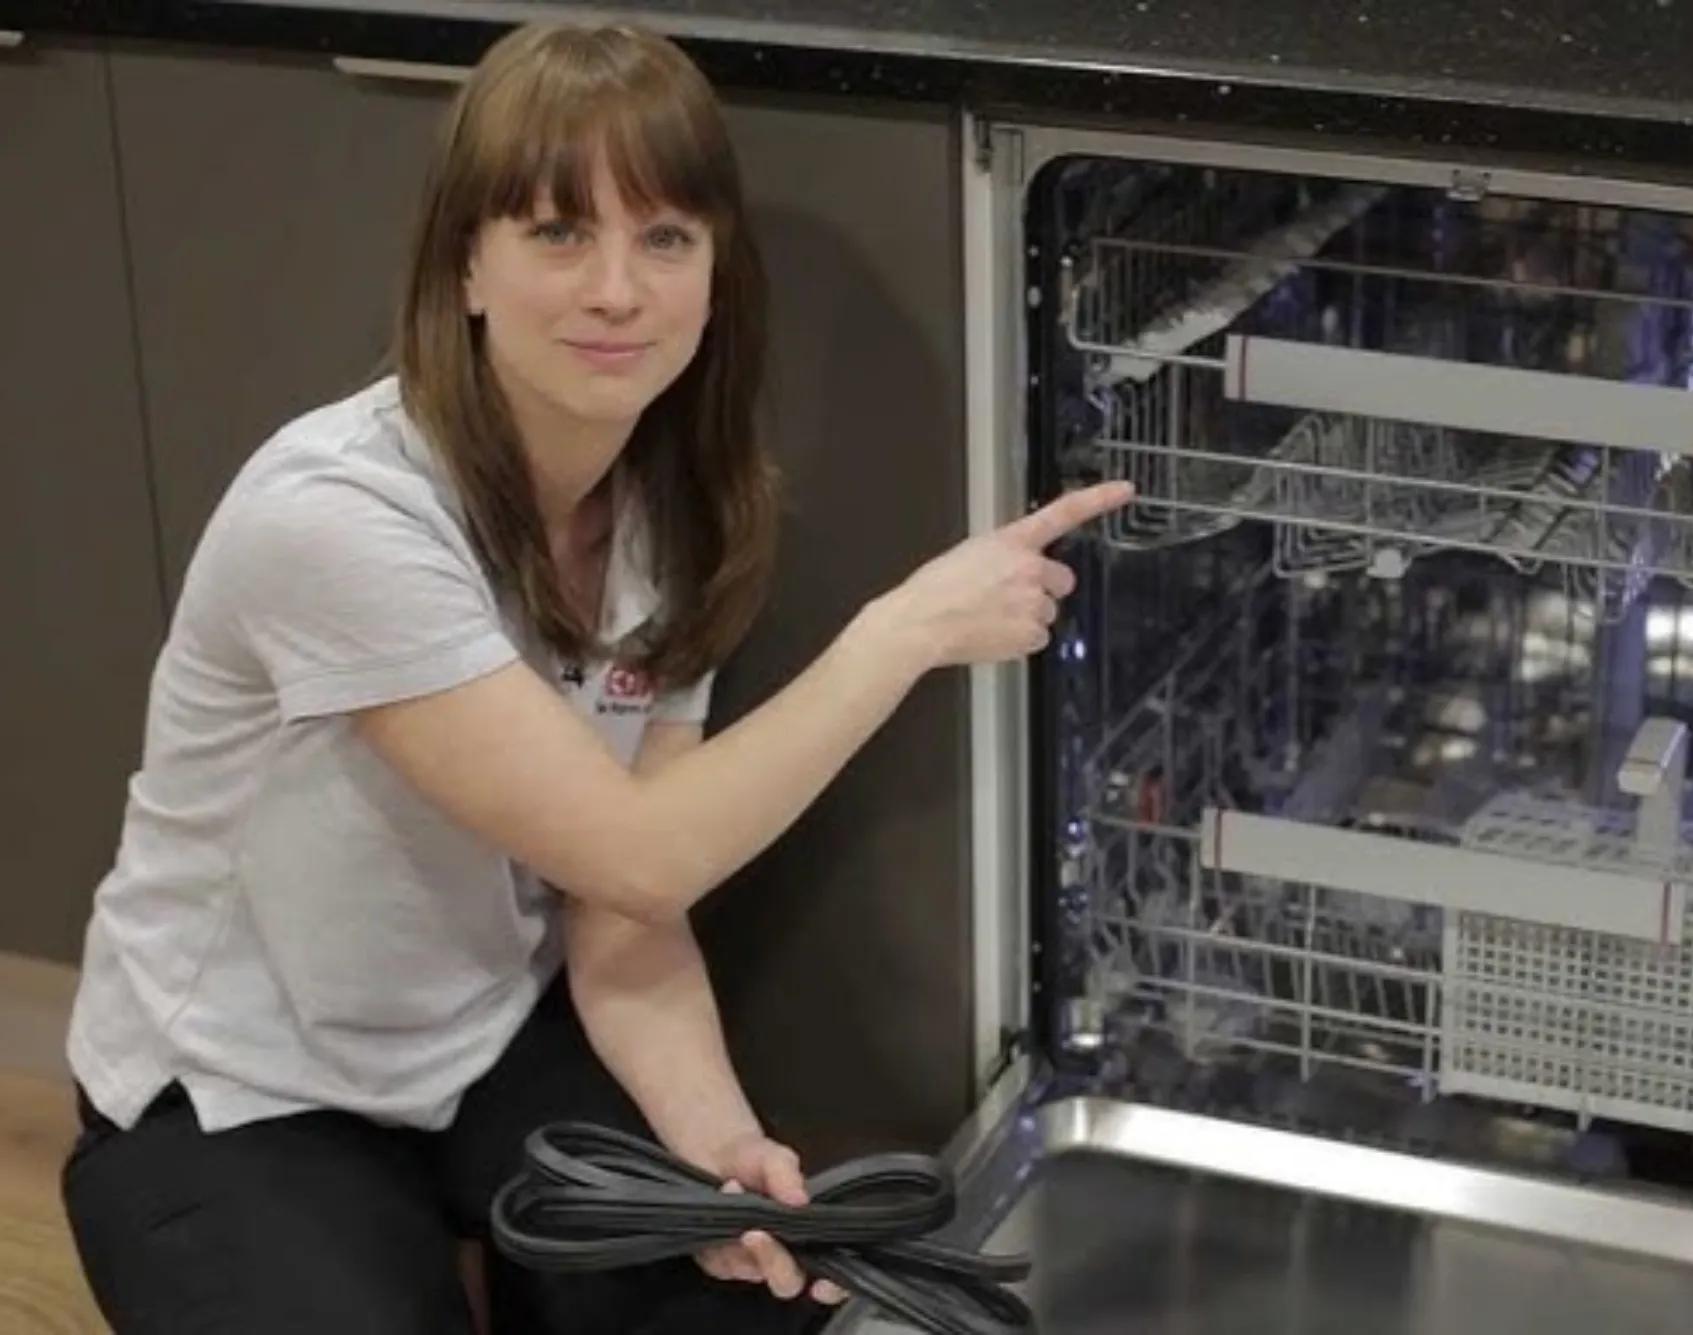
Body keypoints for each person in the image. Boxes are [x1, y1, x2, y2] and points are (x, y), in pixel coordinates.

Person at [56, 19, 1131, 1335]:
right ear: (467, 265)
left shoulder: (667, 526)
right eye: (559, 234)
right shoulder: (340, 518)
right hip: (234, 1093)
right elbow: (639, 853)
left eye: (665, 238)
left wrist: (719, 1146)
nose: (617, 289)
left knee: (746, 1308)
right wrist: (902, 633)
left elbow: (619, 916)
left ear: (716, 276)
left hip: (480, 1042)